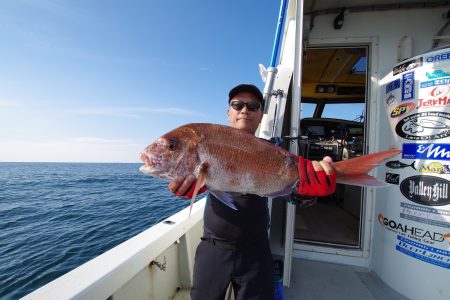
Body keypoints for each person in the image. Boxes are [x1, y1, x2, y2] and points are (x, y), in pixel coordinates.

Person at [168, 84, 336, 300]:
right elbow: (202, 179)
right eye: (237, 105)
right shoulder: (209, 142)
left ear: (261, 114)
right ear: (228, 112)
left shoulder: (274, 150)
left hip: (256, 249)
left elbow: (290, 195)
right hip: (213, 247)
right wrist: (189, 188)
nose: (244, 110)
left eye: (252, 106)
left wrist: (308, 191)